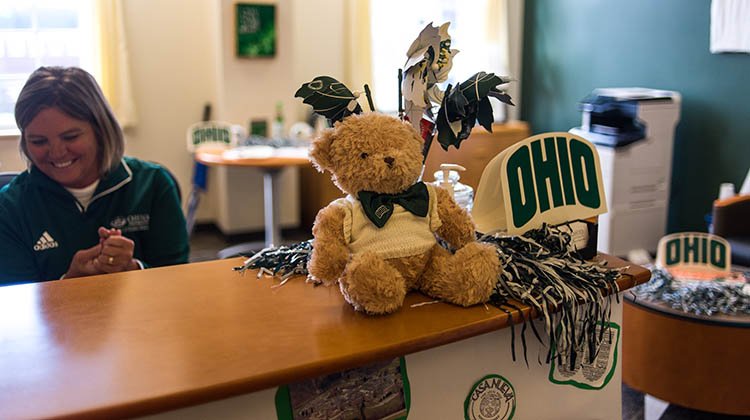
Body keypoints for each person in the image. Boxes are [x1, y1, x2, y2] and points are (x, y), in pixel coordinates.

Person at [0, 66, 189, 286]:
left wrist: (133, 269)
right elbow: (14, 306)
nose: (57, 152)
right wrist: (70, 282)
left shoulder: (153, 185)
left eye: (70, 137)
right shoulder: (10, 207)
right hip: (54, 322)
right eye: (39, 142)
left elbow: (177, 281)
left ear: (101, 129)